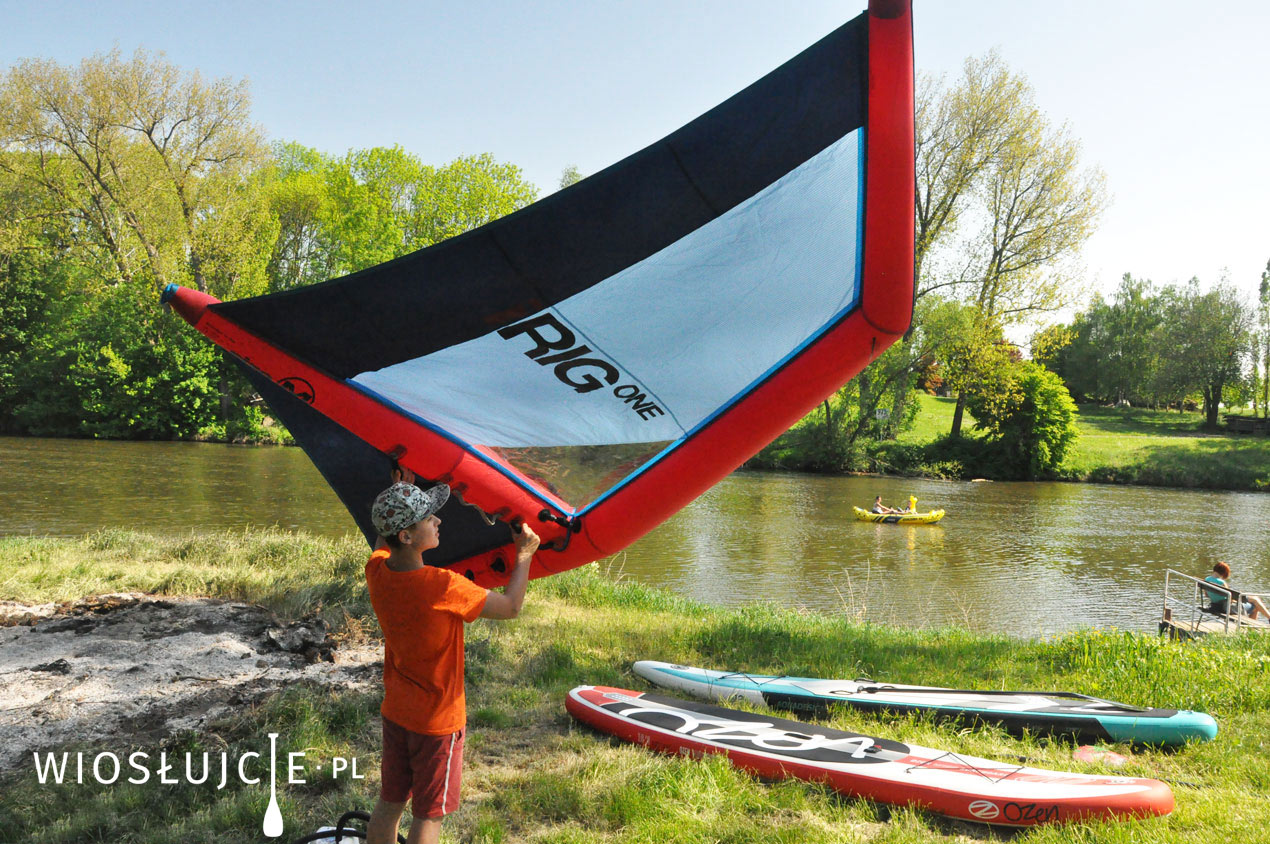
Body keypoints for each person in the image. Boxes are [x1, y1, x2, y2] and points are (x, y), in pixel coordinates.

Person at [364, 467, 539, 844]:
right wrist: (523, 554)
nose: (438, 519)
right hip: (438, 724)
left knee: (390, 802)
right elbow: (510, 608)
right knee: (429, 815)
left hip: (397, 712)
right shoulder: (442, 586)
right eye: (429, 517)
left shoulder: (377, 571)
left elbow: (383, 536)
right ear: (408, 536)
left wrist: (400, 491)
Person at [1203, 561, 1269, 621]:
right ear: (1224, 572)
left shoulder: (1207, 579)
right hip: (1227, 608)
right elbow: (1230, 599)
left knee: (1254, 600)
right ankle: (1267, 619)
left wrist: (1216, 597)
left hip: (1215, 606)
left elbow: (1206, 595)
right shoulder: (1221, 582)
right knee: (1256, 605)